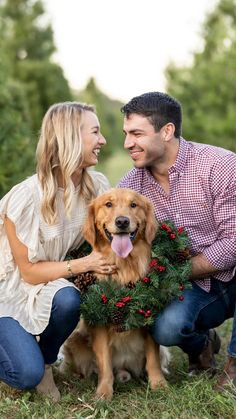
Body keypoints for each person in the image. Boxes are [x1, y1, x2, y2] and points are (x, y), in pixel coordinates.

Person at [117, 91, 236, 392]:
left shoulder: (219, 166)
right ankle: (202, 345)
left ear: (167, 131)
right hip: (196, 286)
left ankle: (234, 363)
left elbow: (233, 242)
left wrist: (176, 271)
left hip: (231, 273)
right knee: (166, 328)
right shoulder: (131, 187)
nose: (127, 143)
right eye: (126, 134)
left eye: (136, 134)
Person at [0, 101, 115, 401]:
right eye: (95, 132)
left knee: (68, 300)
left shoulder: (96, 187)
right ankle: (25, 357)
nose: (102, 140)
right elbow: (27, 272)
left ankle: (46, 360)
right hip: (9, 291)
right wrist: (85, 264)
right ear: (70, 137)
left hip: (48, 285)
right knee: (23, 374)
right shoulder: (26, 197)